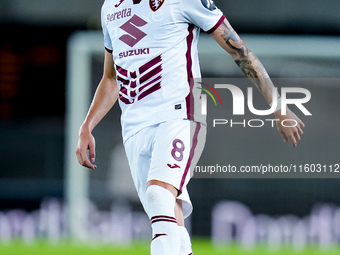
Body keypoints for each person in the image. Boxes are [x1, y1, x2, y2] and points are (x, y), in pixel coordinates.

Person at [76, 0, 305, 254]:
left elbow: (238, 49)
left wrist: (278, 105)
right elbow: (111, 78)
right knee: (170, 215)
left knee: (159, 196)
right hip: (134, 129)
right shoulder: (111, 7)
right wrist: (87, 125)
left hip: (179, 115)